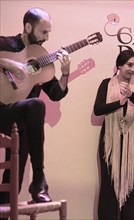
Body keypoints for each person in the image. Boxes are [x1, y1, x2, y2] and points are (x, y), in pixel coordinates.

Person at [0, 7, 71, 206]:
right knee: (36, 105)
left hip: (20, 120)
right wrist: (9, 64)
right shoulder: (6, 43)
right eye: (43, 32)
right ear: (28, 27)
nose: (47, 38)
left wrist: (65, 74)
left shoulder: (41, 57)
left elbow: (56, 94)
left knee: (14, 177)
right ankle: (39, 181)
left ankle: (34, 186)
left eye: (49, 32)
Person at [94, 49, 134, 220]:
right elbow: (98, 109)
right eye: (129, 65)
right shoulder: (107, 83)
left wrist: (131, 95)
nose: (132, 69)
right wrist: (119, 103)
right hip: (110, 142)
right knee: (109, 186)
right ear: (119, 65)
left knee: (132, 186)